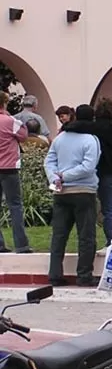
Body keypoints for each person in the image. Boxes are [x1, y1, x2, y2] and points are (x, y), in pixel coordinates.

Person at [61, 98, 112, 250]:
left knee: (109, 210)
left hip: (107, 173)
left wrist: (67, 126)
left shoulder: (96, 127)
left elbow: (79, 125)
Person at [45, 104, 101, 287]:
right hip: (84, 191)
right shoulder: (90, 140)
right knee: (86, 235)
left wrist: (55, 177)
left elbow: (49, 160)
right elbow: (88, 166)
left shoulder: (60, 139)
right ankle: (84, 274)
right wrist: (66, 175)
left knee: (59, 235)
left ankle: (54, 274)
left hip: (61, 192)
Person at [0, 92, 30, 253]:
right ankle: (21, 244)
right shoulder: (10, 121)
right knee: (15, 206)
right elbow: (24, 136)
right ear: (5, 103)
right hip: (9, 167)